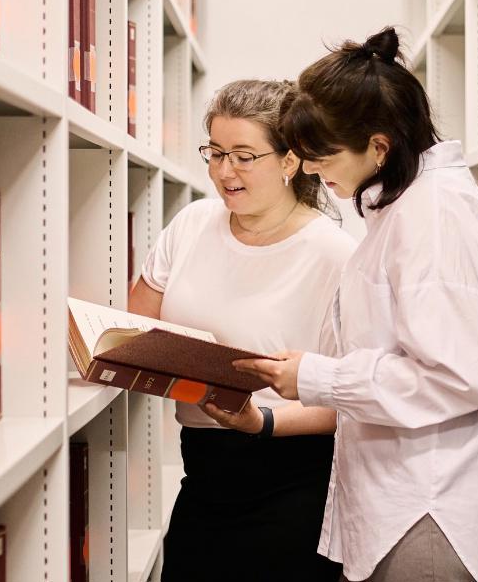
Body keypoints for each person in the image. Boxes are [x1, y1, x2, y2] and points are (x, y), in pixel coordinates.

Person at [236, 27, 478, 582]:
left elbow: (462, 375)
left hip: (434, 511)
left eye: (321, 156)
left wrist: (319, 376)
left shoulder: (436, 215)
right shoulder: (406, 210)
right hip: (409, 505)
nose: (312, 172)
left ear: (378, 146)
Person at [129, 79, 355, 581]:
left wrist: (260, 422)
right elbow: (135, 327)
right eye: (215, 152)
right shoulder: (191, 224)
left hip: (291, 484)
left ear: (290, 161)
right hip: (204, 473)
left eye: (244, 156)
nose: (224, 171)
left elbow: (353, 398)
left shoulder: (333, 256)